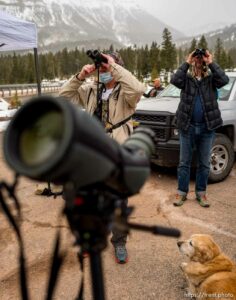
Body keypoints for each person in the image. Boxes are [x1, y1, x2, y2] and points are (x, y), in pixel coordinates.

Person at [59, 51, 146, 263]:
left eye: (107, 68)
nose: (103, 71)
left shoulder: (126, 94)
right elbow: (63, 98)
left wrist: (113, 65)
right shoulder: (90, 90)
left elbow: (138, 88)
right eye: (102, 68)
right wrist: (80, 77)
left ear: (117, 69)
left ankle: (119, 242)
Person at [170, 49, 229, 208]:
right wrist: (187, 61)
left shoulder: (211, 80)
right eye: (196, 58)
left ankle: (201, 193)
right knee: (184, 163)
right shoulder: (186, 80)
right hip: (187, 126)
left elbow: (224, 80)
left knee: (204, 163)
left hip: (207, 127)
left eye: (200, 59)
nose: (198, 61)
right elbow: (174, 80)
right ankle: (182, 193)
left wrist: (210, 61)